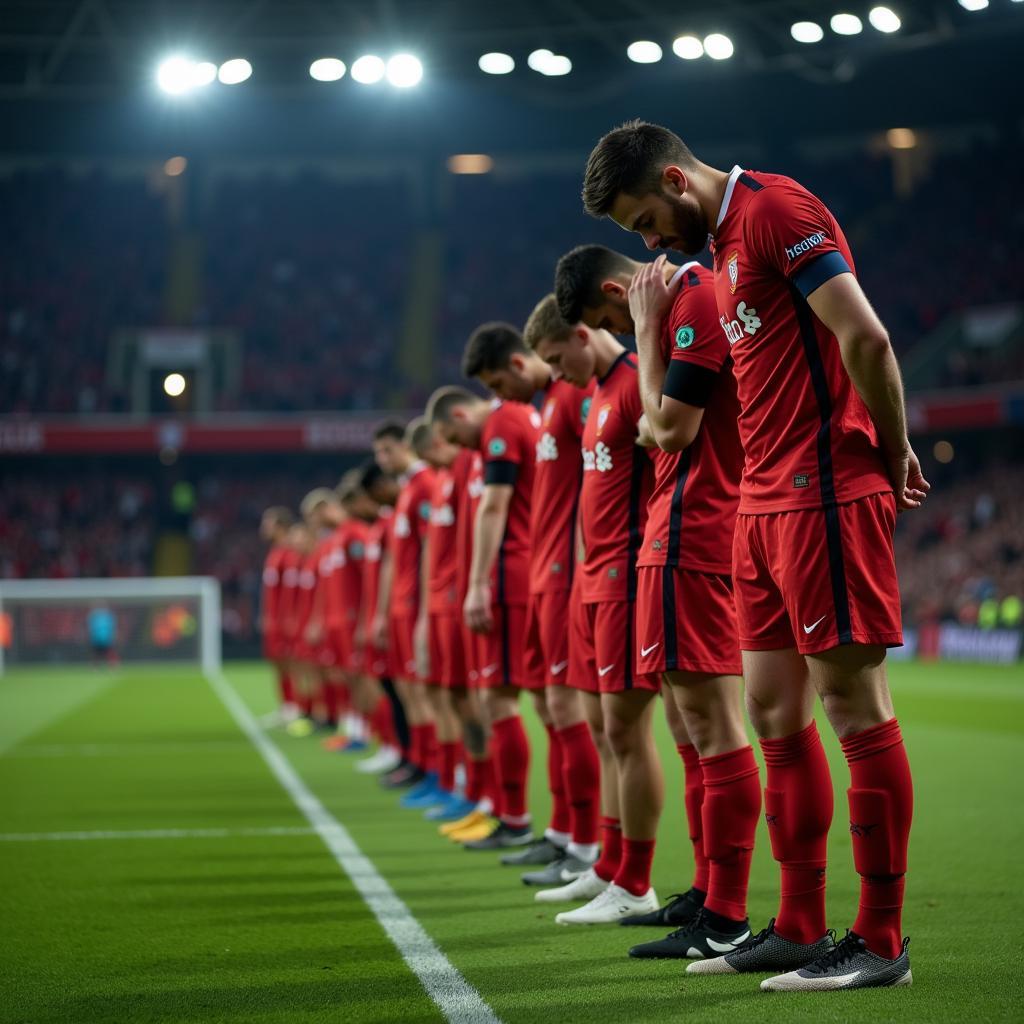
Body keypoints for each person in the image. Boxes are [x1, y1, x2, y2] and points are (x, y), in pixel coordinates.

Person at [581, 119, 927, 990]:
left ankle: (881, 941)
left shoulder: (775, 211)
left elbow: (867, 337)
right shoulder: (726, 247)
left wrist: (892, 449)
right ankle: (799, 924)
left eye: (646, 221)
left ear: (673, 177)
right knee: (775, 716)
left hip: (822, 493)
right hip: (759, 507)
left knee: (855, 708)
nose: (651, 243)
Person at [554, 245, 763, 959]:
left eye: (610, 316)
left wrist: (643, 333)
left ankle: (726, 914)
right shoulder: (690, 305)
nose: (614, 328)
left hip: (692, 536)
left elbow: (664, 429)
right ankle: (710, 897)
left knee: (712, 724)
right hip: (671, 543)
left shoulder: (688, 306)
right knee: (689, 723)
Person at [527, 303, 662, 925]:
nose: (558, 373)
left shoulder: (638, 380)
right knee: (608, 732)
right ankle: (609, 867)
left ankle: (636, 881)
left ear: (583, 335)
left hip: (630, 578)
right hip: (593, 580)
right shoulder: (601, 391)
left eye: (558, 359)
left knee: (628, 733)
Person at [460, 319, 603, 883]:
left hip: (556, 575)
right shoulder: (547, 406)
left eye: (497, 383)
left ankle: (586, 847)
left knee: (571, 711)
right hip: (543, 573)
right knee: (552, 708)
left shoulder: (548, 405)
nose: (497, 397)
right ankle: (567, 836)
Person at [426, 384, 539, 850]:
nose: (456, 447)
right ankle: (496, 807)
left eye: (453, 435)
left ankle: (515, 818)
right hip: (500, 582)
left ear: (457, 413)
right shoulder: (487, 441)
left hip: (508, 581)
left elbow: (496, 509)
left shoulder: (504, 425)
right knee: (499, 702)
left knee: (513, 703)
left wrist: (476, 584)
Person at [370, 421, 439, 795]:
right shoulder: (407, 491)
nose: (382, 460)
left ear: (404, 447)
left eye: (386, 450)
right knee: (411, 692)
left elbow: (430, 548)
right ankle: (420, 764)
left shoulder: (424, 485)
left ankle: (436, 774)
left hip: (416, 605)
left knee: (428, 694)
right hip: (401, 606)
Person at [259, 507, 298, 725]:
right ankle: (287, 704)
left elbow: (291, 592)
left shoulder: (289, 554)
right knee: (278, 662)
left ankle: (296, 704)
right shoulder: (275, 553)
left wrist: (287, 618)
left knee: (291, 662)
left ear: (281, 527)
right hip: (273, 619)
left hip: (285, 621)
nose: (263, 528)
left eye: (268, 524)